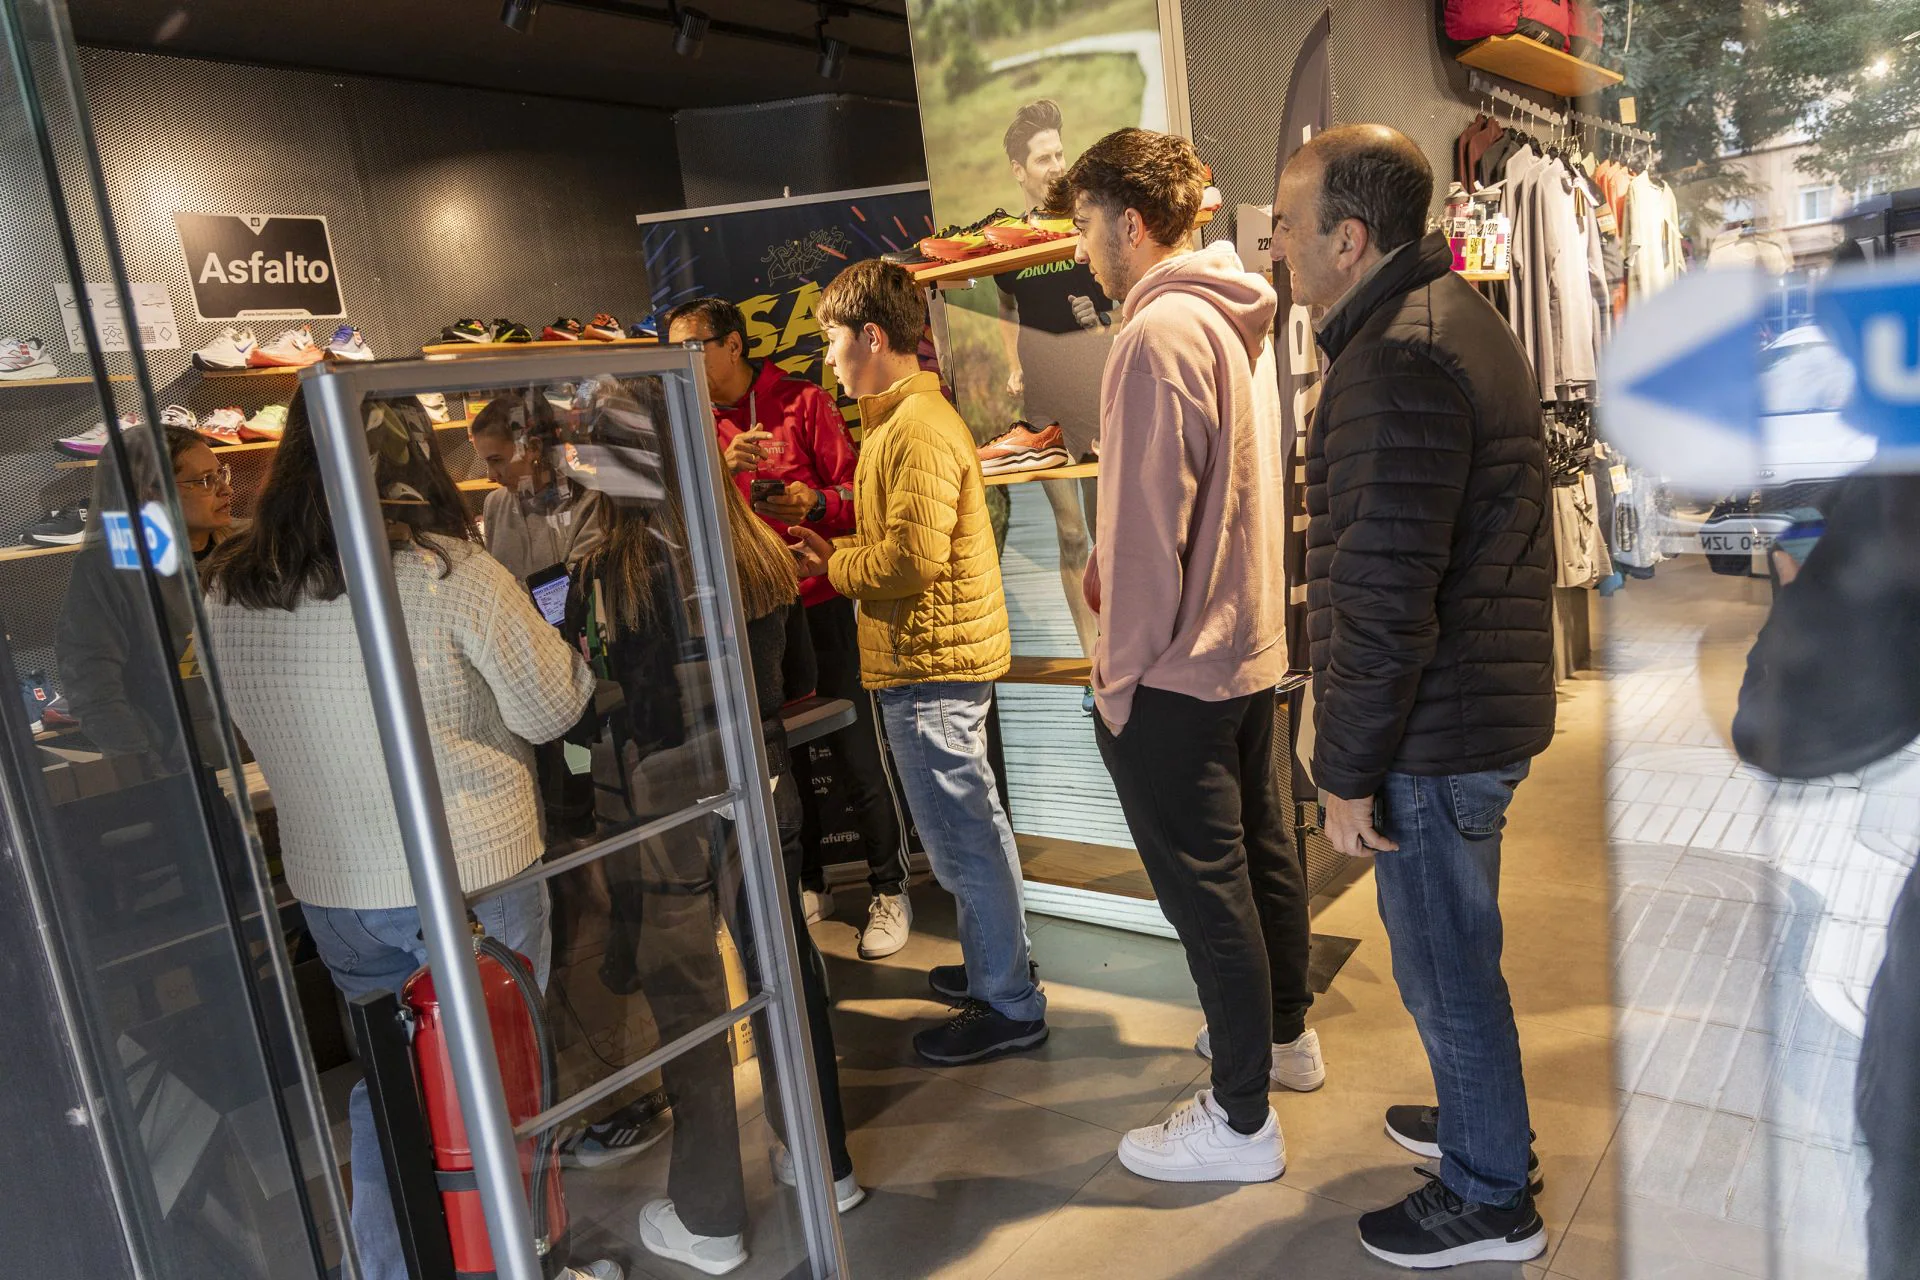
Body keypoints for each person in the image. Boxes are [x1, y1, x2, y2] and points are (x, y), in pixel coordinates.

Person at [202, 396, 597, 1280]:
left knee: (389, 1098)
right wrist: (567, 650)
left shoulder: (233, 581)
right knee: (498, 1093)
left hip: (335, 887)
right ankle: (521, 1261)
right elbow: (552, 708)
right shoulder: (448, 570)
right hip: (469, 874)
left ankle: (387, 1267)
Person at [1273, 123, 1555, 1268]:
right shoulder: (1435, 322)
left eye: (1289, 228)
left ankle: (1492, 1194)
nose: (1278, 250)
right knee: (1454, 948)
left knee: (1443, 960)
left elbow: (1384, 595)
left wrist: (1343, 768)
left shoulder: (1395, 354)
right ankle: (1486, 1127)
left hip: (1435, 732)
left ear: (1349, 236)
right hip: (1462, 714)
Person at [1049, 127, 1317, 1186]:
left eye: (1080, 224)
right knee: (1257, 856)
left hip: (1177, 665)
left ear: (1129, 220)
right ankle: (1282, 1041)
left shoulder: (1158, 333)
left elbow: (1151, 526)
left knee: (1209, 892)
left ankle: (1241, 1120)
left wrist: (1114, 678)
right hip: (1243, 647)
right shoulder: (1232, 313)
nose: (1077, 249)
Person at [553, 378, 863, 1275]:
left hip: (659, 816)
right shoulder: (753, 545)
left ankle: (711, 1216)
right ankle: (824, 1161)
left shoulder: (607, 570)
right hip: (761, 793)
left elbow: (586, 711)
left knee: (689, 1013)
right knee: (787, 980)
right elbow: (796, 669)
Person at [788, 259, 1047, 1065]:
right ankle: (1000, 971)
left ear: (873, 336)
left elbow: (910, 563)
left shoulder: (915, 430)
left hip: (929, 663)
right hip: (929, 658)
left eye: (834, 340)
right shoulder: (902, 423)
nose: (829, 359)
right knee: (972, 830)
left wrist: (832, 565)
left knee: (963, 837)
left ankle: (1008, 1002)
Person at [664, 296, 913, 961]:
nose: (683, 366)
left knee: (856, 746)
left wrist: (814, 501)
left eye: (692, 350)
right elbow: (684, 525)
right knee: (782, 755)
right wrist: (728, 475)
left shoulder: (802, 402)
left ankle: (889, 888)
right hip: (748, 615)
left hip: (821, 598)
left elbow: (867, 497)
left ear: (732, 344)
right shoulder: (691, 424)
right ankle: (811, 883)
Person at [995, 98, 1108, 662]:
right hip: (1045, 405)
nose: (1057, 165)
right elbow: (1005, 312)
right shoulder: (1006, 240)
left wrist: (1103, 323)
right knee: (1070, 533)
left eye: (1061, 153)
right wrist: (1013, 363)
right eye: (1044, 157)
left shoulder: (1090, 224)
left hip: (1098, 392)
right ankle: (1091, 659)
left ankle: (1119, 649)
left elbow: (1123, 298)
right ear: (1020, 169)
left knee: (1108, 534)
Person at [58, 423, 237, 768]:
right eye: (205, 481)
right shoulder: (109, 571)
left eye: (221, 473)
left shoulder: (245, 554)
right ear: (150, 492)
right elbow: (94, 687)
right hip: (188, 775)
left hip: (269, 758)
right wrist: (147, 769)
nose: (226, 490)